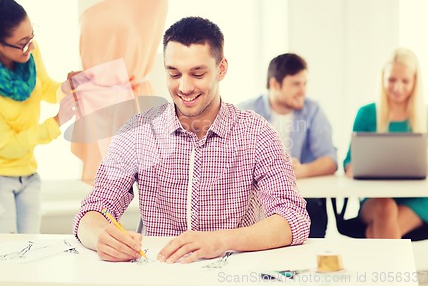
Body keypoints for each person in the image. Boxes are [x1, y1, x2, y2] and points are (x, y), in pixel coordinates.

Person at [73, 16, 310, 263]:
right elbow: (92, 210)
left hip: (231, 275)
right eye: (174, 74)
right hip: (161, 275)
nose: (184, 87)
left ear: (221, 69)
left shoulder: (257, 133)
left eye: (197, 74)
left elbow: (293, 217)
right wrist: (101, 236)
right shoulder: (138, 132)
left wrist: (221, 240)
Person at [0, 0, 79, 233]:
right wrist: (56, 121)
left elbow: (44, 87)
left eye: (32, 36)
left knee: (28, 261)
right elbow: (7, 145)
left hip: (26, 174)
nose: (30, 46)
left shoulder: (27, 53)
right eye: (23, 42)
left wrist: (66, 86)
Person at [71, 0, 168, 183]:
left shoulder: (155, 1)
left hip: (135, 97)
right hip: (95, 100)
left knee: (148, 186)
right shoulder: (85, 0)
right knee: (103, 190)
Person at [238, 53, 337, 238]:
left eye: (305, 84)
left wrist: (301, 170)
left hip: (304, 198)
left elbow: (330, 160)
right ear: (275, 84)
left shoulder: (313, 110)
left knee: (312, 216)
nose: (303, 91)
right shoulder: (246, 111)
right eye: (296, 84)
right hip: (258, 200)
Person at [344, 47, 428, 239]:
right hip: (376, 197)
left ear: (415, 81)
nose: (398, 87)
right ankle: (394, 271)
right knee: (385, 209)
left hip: (418, 200)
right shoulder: (366, 114)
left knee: (380, 231)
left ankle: (374, 270)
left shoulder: (426, 115)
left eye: (405, 81)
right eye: (392, 80)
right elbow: (349, 160)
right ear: (383, 79)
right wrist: (351, 167)